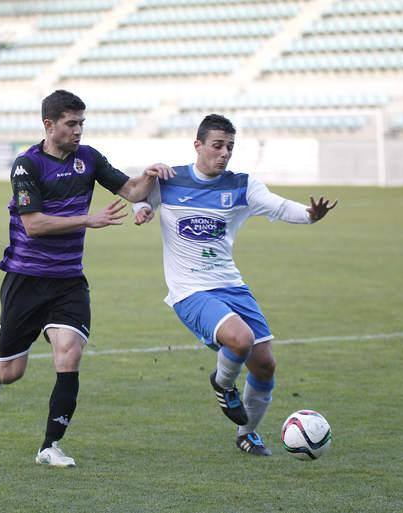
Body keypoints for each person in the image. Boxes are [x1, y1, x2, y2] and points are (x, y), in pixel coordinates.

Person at [0, 89, 174, 467]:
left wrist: (149, 176)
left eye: (82, 122)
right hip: (26, 280)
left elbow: (132, 191)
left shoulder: (89, 158)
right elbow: (33, 226)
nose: (79, 130)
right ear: (49, 125)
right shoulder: (26, 165)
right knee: (12, 370)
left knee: (69, 354)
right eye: (71, 123)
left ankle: (49, 446)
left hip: (67, 280)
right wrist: (88, 219)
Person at [131, 114, 337, 456]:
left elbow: (280, 206)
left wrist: (310, 214)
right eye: (217, 145)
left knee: (265, 364)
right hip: (190, 290)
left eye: (229, 147)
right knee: (239, 339)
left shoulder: (242, 185)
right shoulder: (169, 179)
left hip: (230, 284)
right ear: (198, 145)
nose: (224, 153)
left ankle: (246, 434)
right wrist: (142, 208)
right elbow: (139, 196)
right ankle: (222, 384)